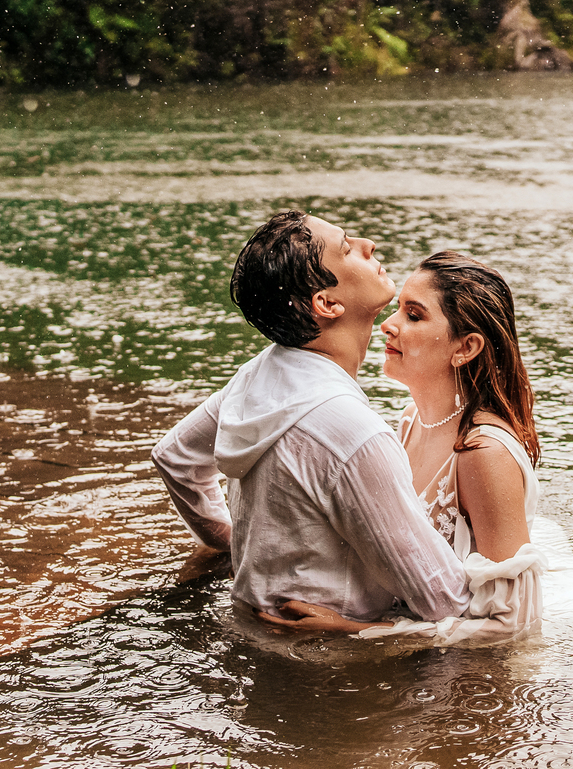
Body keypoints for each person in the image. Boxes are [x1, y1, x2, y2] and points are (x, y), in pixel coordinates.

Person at [151, 211, 470, 625]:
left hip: (249, 621)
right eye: (347, 248)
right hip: (331, 655)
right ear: (328, 304)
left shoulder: (255, 375)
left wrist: (234, 548)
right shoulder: (355, 434)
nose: (368, 245)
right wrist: (358, 631)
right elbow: (444, 601)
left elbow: (174, 457)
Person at [260, 251, 549, 644]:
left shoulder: (484, 453)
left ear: (465, 348)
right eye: (397, 309)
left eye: (413, 315)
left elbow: (512, 623)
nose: (388, 325)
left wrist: (350, 630)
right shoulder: (411, 420)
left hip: (471, 671)